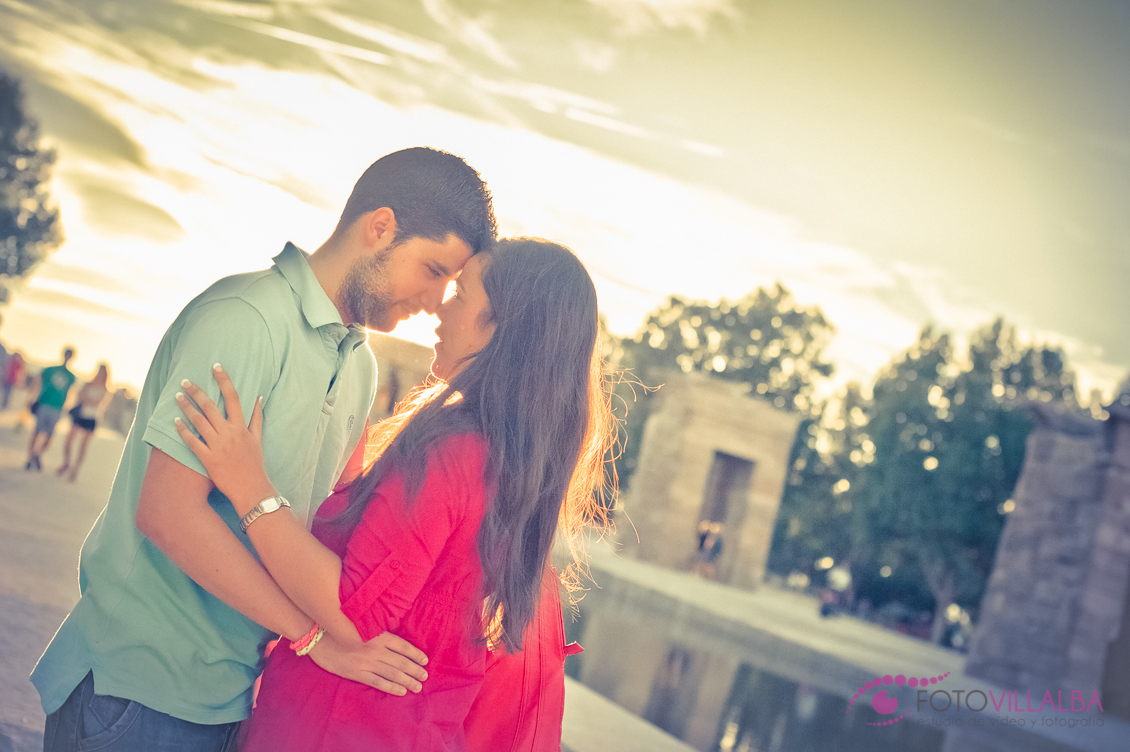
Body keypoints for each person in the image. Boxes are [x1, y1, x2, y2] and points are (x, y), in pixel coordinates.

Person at [32, 147, 497, 752]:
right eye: (433, 270)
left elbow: (318, 529)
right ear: (379, 228)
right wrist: (312, 639)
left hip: (232, 698)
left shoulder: (357, 365)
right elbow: (167, 512)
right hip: (136, 693)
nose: (436, 300)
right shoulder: (245, 318)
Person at [173, 238, 614, 751]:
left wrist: (252, 489)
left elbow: (356, 612)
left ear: (497, 323)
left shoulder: (452, 448)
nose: (439, 309)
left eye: (460, 293)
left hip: (335, 730)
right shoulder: (511, 459)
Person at [56, 363, 111, 481]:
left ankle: (75, 469)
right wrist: (85, 398)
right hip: (80, 415)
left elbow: (98, 403)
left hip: (91, 419)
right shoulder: (88, 384)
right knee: (68, 441)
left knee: (83, 446)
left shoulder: (106, 389)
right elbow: (79, 397)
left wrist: (86, 398)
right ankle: (66, 463)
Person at [25, 347, 77, 471]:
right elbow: (37, 382)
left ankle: (37, 454)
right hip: (44, 403)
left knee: (49, 435)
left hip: (57, 407)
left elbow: (70, 393)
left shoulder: (71, 377)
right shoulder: (50, 370)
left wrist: (68, 407)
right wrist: (31, 397)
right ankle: (30, 458)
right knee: (37, 431)